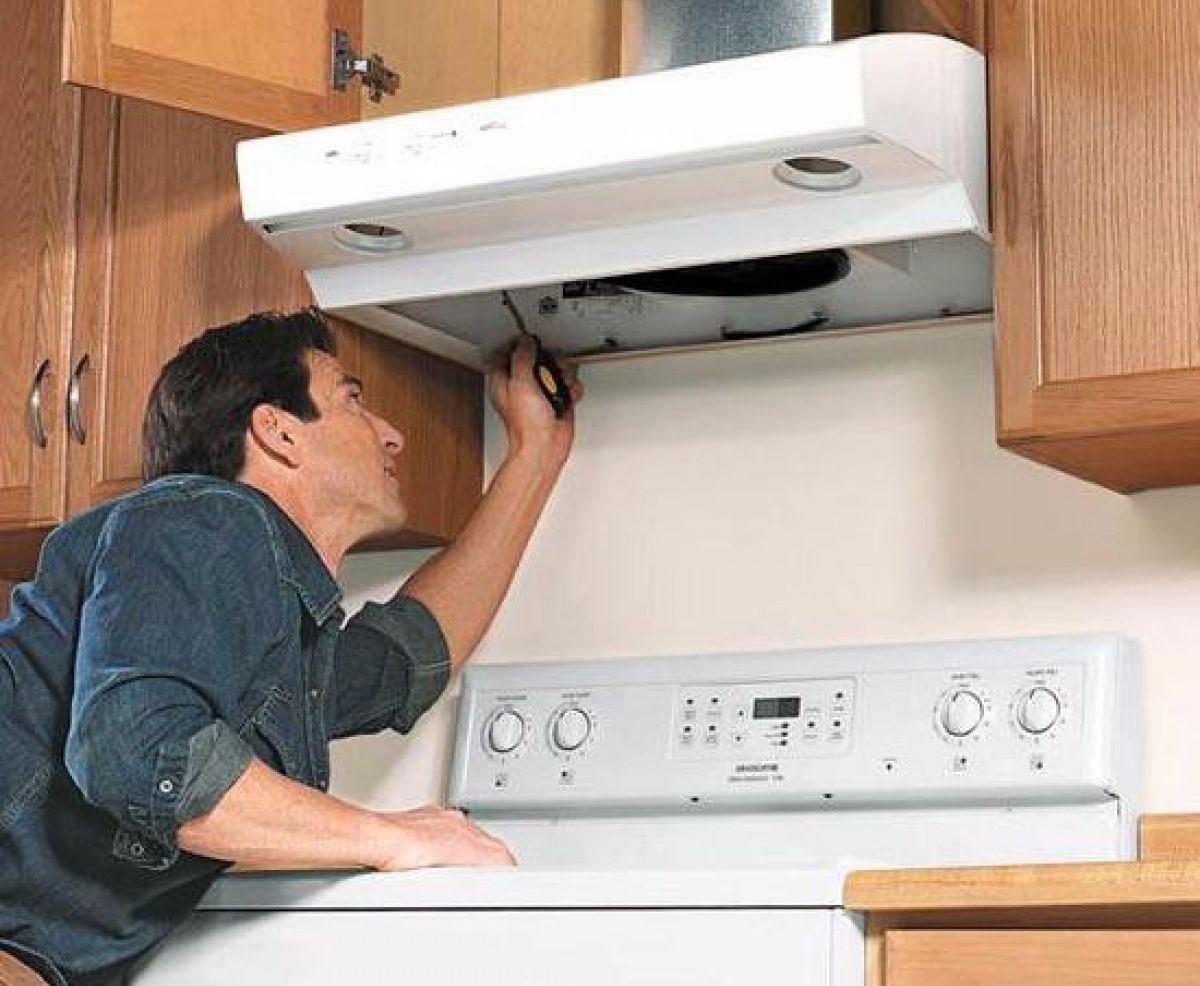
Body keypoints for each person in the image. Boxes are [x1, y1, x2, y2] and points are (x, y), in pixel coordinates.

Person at [0, 309, 581, 986]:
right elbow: (142, 753)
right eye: (353, 401)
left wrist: (535, 454)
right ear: (277, 431)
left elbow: (402, 660)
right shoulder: (207, 516)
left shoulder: (266, 624)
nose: (391, 434)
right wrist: (389, 835)